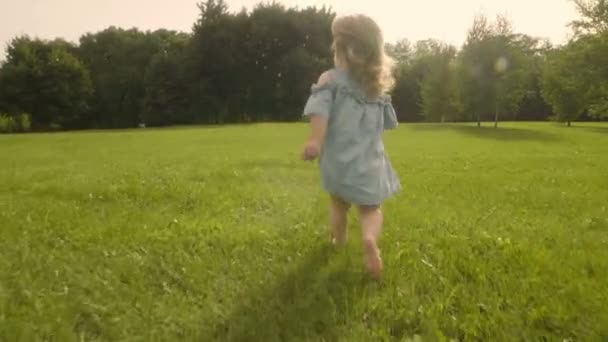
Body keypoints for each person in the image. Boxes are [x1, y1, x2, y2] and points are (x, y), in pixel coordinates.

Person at [301, 14, 400, 279]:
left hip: (339, 161)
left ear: (341, 49)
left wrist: (316, 140)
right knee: (371, 209)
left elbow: (320, 112)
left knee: (338, 204)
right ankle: (369, 238)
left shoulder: (329, 80)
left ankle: (340, 241)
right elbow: (386, 126)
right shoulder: (375, 89)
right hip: (370, 163)